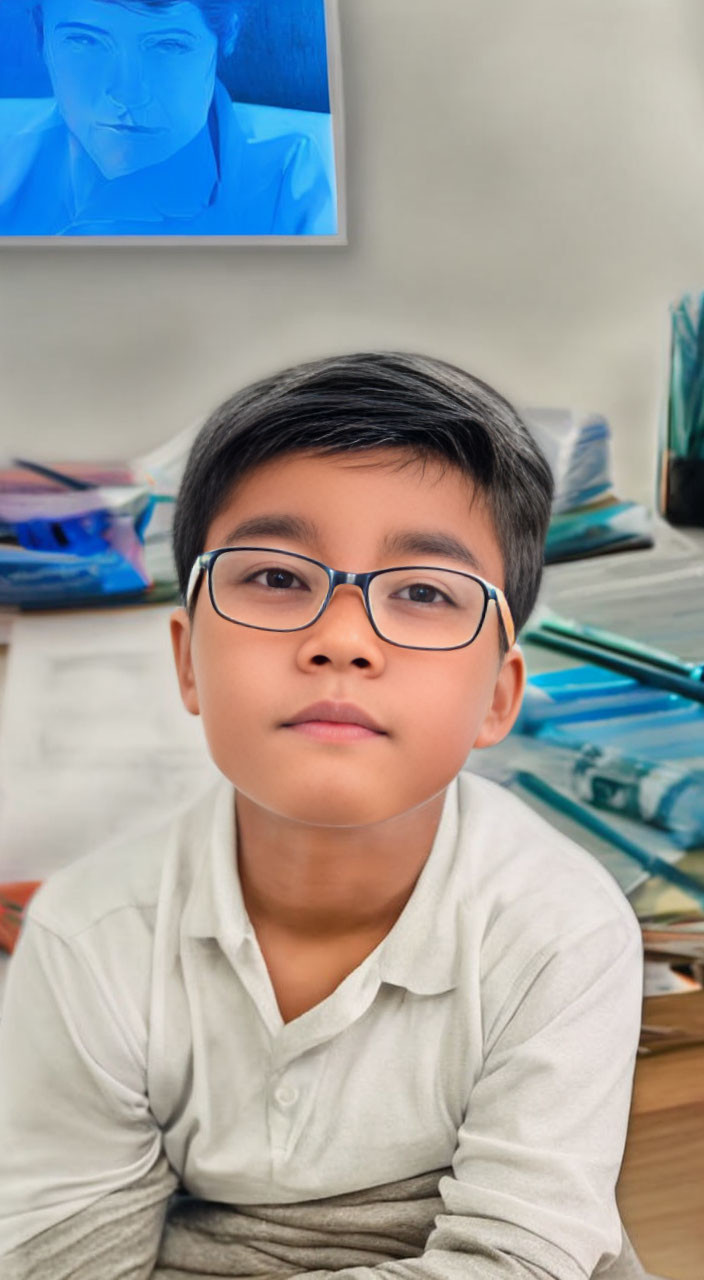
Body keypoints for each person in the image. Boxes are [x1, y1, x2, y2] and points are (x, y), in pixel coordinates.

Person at [0, 352, 647, 1279]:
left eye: (424, 592)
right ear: (187, 662)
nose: (342, 640)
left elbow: (518, 1260)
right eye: (274, 578)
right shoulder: (88, 937)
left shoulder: (560, 931)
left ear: (498, 700)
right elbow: (65, 1259)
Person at [0, 0, 335, 236]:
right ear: (41, 35)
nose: (127, 93)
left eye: (168, 45)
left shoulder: (302, 173)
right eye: (84, 40)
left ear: (227, 35)